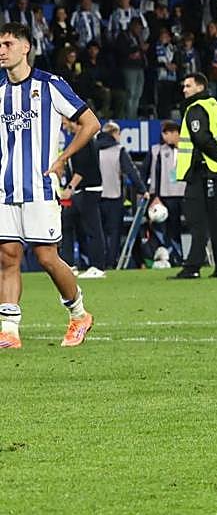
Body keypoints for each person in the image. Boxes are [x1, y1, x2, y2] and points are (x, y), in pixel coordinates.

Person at [0, 23, 100, 350]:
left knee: (46, 257)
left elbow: (91, 123)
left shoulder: (50, 85)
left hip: (40, 188)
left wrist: (63, 157)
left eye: (8, 43)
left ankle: (79, 314)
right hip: (5, 188)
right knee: (8, 256)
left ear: (25, 48)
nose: (2, 50)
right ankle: (9, 330)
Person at [173, 72, 217, 279]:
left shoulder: (196, 109)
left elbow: (201, 138)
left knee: (197, 220)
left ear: (200, 87)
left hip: (203, 171)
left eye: (188, 86)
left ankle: (193, 266)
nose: (184, 90)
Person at [97, 120, 148, 269]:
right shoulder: (119, 150)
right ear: (114, 133)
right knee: (114, 233)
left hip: (95, 197)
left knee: (98, 232)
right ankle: (111, 263)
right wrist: (142, 190)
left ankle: (98, 264)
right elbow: (131, 172)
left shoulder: (94, 149)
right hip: (114, 196)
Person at [61, 115, 107, 278]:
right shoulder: (77, 139)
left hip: (89, 190)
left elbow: (82, 168)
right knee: (66, 222)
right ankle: (67, 265)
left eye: (66, 123)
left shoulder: (84, 140)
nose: (64, 127)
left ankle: (98, 267)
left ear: (75, 122)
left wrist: (70, 188)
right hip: (80, 191)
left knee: (93, 227)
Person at [144, 120, 185, 265]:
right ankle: (173, 257)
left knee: (186, 227)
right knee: (168, 228)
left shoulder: (187, 149)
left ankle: (191, 257)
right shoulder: (161, 151)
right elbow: (157, 174)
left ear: (176, 133)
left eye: (167, 133)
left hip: (185, 194)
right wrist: (156, 197)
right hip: (167, 195)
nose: (164, 137)